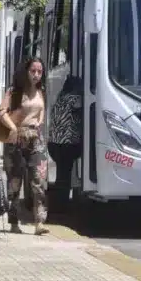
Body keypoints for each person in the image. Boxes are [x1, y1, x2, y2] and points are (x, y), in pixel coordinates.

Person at [0, 57, 49, 236]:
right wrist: (13, 127)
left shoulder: (41, 91)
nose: (36, 75)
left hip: (36, 140)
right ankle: (13, 222)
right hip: (16, 140)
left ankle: (40, 222)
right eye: (33, 71)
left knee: (39, 181)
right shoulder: (14, 92)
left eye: (39, 72)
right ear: (26, 72)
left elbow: (41, 110)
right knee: (14, 183)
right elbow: (1, 112)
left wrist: (38, 123)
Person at [47, 74, 83, 214]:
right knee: (64, 177)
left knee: (62, 174)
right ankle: (60, 206)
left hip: (54, 144)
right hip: (67, 145)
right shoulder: (75, 99)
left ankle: (59, 203)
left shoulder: (61, 97)